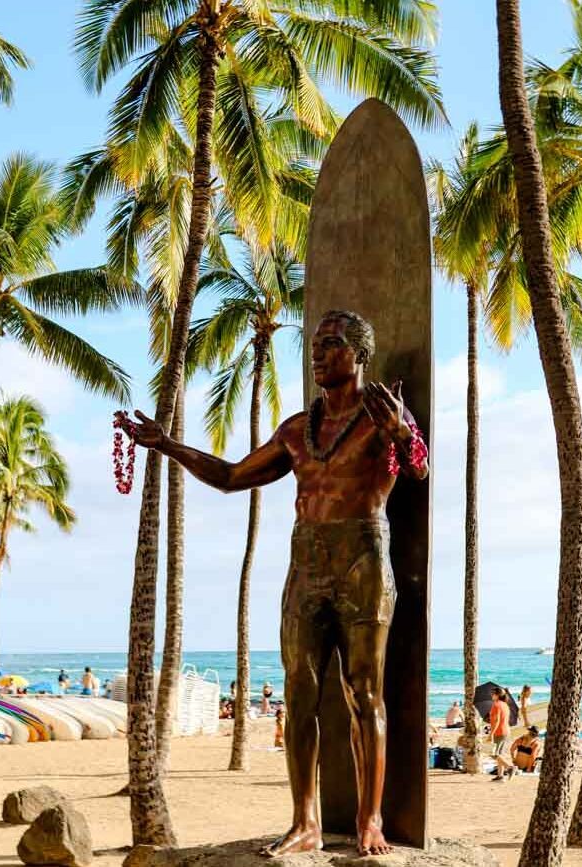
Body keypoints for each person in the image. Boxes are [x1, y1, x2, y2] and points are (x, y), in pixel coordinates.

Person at [129, 310, 429, 858]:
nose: (317, 354)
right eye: (315, 345)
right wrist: (168, 445)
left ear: (360, 355)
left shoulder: (382, 414)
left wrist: (400, 433)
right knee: (298, 694)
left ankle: (370, 822)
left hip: (363, 561)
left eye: (331, 344)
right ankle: (305, 822)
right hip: (306, 567)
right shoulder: (297, 430)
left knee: (365, 694)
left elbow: (416, 471)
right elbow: (231, 477)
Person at [490, 688, 514, 781]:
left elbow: (497, 720)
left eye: (492, 693)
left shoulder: (496, 705)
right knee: (499, 754)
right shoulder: (505, 705)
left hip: (499, 732)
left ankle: (509, 768)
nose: (491, 695)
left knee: (494, 754)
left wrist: (491, 734)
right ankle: (500, 775)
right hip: (505, 731)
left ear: (497, 695)